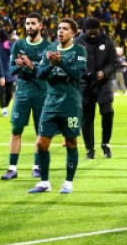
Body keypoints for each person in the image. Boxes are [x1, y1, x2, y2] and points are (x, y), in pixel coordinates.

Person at [27, 18, 87, 195]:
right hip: (51, 104)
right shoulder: (50, 49)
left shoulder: (79, 50)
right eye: (59, 28)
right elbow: (39, 74)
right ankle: (44, 182)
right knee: (41, 143)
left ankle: (68, 183)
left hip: (71, 104)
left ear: (73, 33)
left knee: (71, 143)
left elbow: (77, 75)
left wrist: (60, 63)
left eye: (65, 29)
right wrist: (51, 65)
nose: (60, 31)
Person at [1, 12, 48, 180]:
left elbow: (45, 72)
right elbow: (11, 70)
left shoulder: (48, 47)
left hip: (42, 94)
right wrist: (20, 65)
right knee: (16, 130)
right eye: (27, 23)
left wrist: (30, 67)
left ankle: (37, 167)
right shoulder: (18, 45)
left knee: (41, 132)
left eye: (33, 23)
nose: (29, 26)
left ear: (40, 26)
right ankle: (12, 168)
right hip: (22, 94)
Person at [76, 17, 117, 159]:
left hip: (103, 83)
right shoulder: (78, 42)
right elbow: (75, 62)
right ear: (85, 30)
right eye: (90, 33)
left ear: (99, 29)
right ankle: (89, 149)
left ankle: (105, 143)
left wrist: (104, 72)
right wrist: (87, 73)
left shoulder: (108, 42)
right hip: (85, 84)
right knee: (87, 117)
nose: (93, 35)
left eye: (95, 32)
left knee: (108, 112)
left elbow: (113, 62)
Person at [0, 30, 16, 118]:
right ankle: (3, 108)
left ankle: (5, 106)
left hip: (9, 72)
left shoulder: (9, 44)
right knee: (1, 91)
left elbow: (13, 54)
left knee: (9, 93)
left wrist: (8, 48)